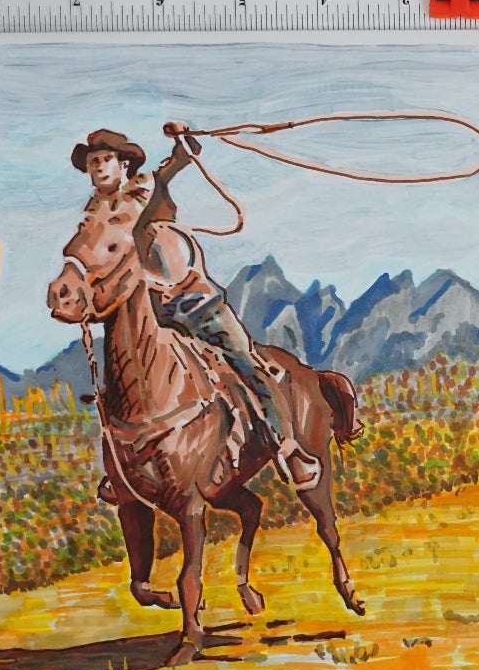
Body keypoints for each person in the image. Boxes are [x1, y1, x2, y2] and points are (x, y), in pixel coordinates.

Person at [69, 126, 322, 488]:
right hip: (147, 311)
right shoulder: (93, 213)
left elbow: (183, 157)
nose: (97, 168)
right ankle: (122, 468)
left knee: (248, 364)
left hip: (194, 301)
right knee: (120, 380)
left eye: (104, 159)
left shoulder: (146, 187)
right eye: (93, 162)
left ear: (123, 164)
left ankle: (287, 448)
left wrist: (182, 139)